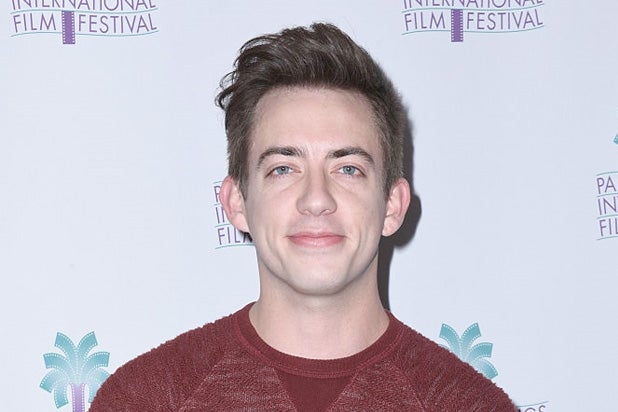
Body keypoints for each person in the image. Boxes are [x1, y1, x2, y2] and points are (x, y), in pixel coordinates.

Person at [90, 23, 515, 411]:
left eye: (348, 169)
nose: (316, 200)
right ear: (236, 202)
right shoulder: (142, 400)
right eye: (283, 169)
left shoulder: (471, 406)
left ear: (392, 205)